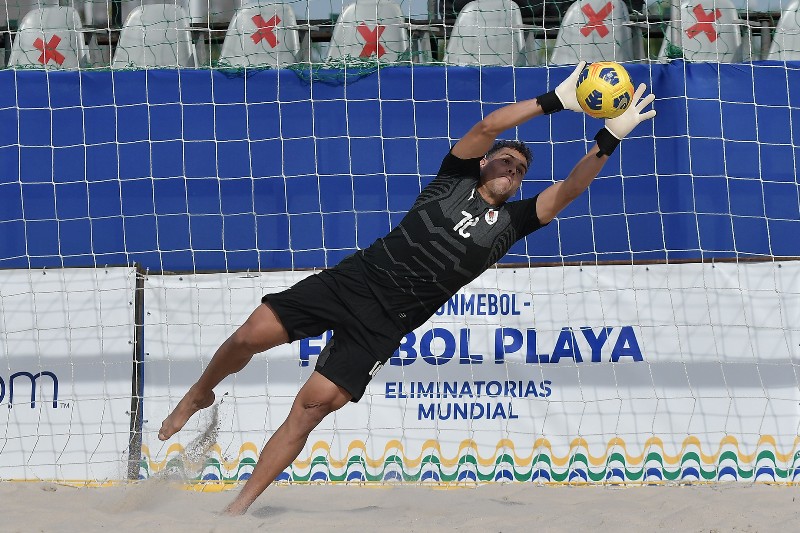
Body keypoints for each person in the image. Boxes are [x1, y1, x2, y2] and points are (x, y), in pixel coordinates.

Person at [158, 61, 656, 515]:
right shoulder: (453, 178)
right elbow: (487, 127)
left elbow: (569, 189)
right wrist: (556, 100)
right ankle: (200, 393)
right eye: (506, 161)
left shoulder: (514, 222)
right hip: (356, 280)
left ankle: (236, 509)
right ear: (485, 163)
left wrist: (608, 140)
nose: (512, 170)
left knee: (311, 409)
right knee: (250, 333)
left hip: (386, 322)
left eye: (521, 170)